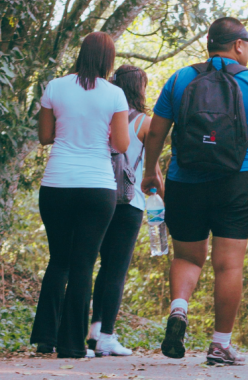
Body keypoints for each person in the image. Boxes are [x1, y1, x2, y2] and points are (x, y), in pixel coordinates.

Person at [142, 17, 248, 365]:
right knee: (228, 266)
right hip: (236, 184)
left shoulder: (180, 79)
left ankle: (179, 310)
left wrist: (151, 172)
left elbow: (155, 132)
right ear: (238, 45)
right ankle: (219, 345)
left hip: (184, 181)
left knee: (186, 257)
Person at [30, 31, 130, 359]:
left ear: (80, 53)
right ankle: (72, 345)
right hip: (97, 186)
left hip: (57, 183)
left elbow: (45, 136)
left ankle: (46, 338)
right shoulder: (115, 94)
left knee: (59, 260)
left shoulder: (56, 87)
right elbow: (121, 145)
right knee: (84, 264)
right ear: (108, 60)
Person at [86, 65, 157, 357]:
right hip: (130, 202)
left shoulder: (103, 117)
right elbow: (154, 170)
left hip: (98, 195)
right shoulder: (145, 123)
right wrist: (165, 202)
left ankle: (92, 334)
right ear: (139, 88)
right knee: (115, 270)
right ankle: (107, 336)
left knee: (91, 266)